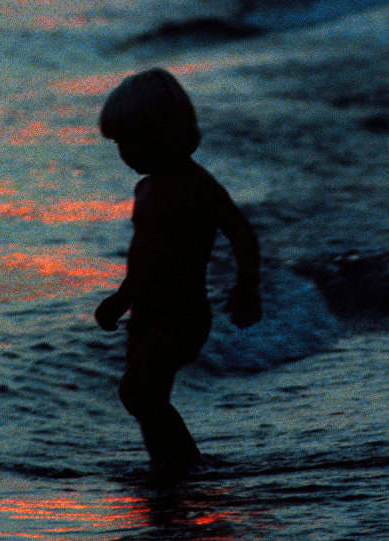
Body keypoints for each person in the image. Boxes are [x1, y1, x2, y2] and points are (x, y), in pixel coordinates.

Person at [94, 68, 262, 474]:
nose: (125, 153)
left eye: (132, 140)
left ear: (164, 131)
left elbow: (241, 233)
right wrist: (122, 298)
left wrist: (247, 285)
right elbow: (144, 256)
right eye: (119, 144)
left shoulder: (196, 185)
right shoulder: (146, 189)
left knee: (136, 392)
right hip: (145, 313)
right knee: (149, 399)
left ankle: (191, 466)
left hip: (183, 316)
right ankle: (165, 468)